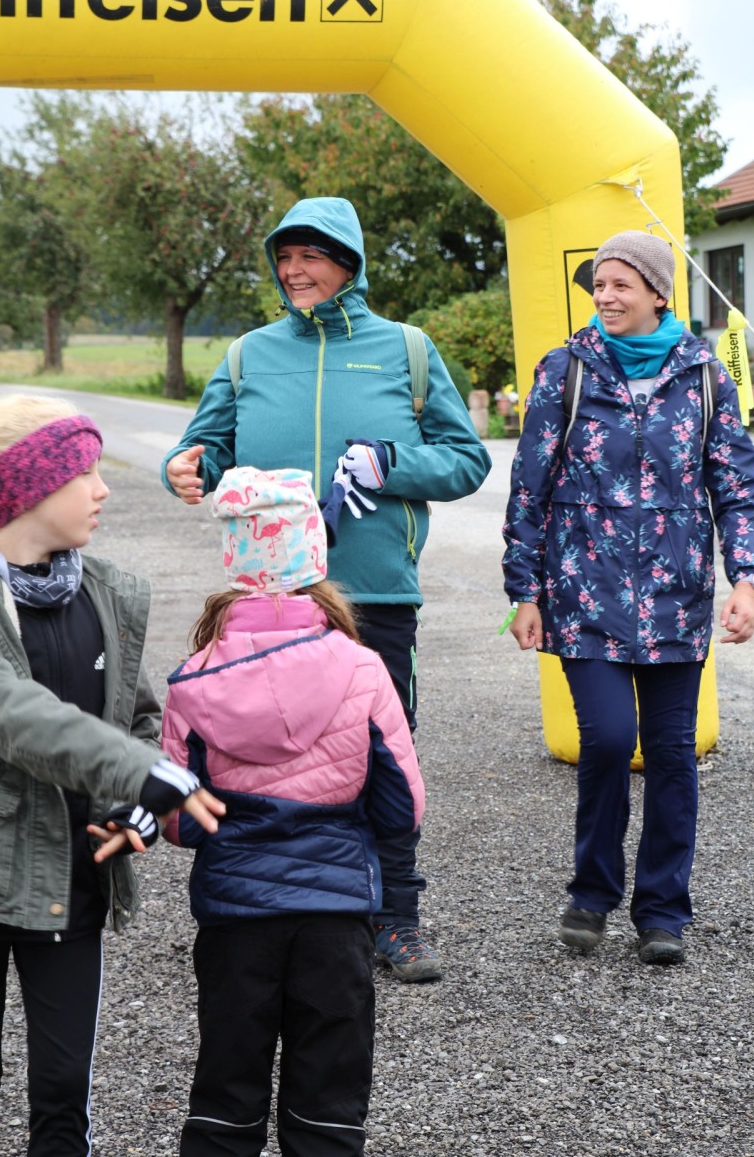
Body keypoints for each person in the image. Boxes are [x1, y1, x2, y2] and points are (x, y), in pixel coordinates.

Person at [161, 195, 491, 981]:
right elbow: (203, 446)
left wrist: (393, 464)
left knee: (382, 754)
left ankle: (396, 917)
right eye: (284, 256)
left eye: (310, 255)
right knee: (262, 754)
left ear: (348, 263)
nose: (294, 270)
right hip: (266, 598)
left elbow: (467, 460)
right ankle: (272, 907)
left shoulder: (406, 350)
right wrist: (185, 466)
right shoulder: (248, 355)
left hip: (375, 593)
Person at [501, 230, 754, 966]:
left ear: (658, 292)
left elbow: (737, 485)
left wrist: (745, 579)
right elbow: (529, 487)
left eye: (621, 284)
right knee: (612, 739)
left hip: (677, 598)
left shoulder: (706, 375)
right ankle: (591, 894)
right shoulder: (565, 370)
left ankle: (663, 912)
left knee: (673, 754)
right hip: (584, 593)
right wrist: (524, 591)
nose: (606, 297)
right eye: (599, 286)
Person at [0, 394, 224, 1157]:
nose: (103, 488)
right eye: (83, 472)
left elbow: (135, 721)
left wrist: (135, 806)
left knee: (62, 1096)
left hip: (73, 881)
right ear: (26, 486)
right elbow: (11, 712)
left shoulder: (108, 592)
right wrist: (147, 772)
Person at [161, 465, 425, 1157]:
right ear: (315, 555)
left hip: (235, 913)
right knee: (328, 1103)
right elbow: (402, 807)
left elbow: (179, 822)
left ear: (233, 560)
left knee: (226, 1094)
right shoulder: (361, 666)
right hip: (335, 913)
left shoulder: (193, 679)